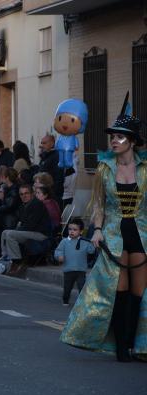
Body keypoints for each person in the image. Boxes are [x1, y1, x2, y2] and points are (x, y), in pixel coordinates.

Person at [61, 93, 147, 362]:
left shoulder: (145, 169)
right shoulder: (104, 169)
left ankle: (134, 344)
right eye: (113, 136)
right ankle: (122, 348)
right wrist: (97, 230)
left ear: (132, 141)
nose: (114, 140)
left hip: (142, 236)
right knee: (118, 294)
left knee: (138, 295)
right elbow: (98, 204)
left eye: (120, 136)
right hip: (114, 236)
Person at [1, 184, 52, 276]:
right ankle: (5, 257)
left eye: (26, 193)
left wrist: (17, 230)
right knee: (5, 232)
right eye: (21, 194)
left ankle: (17, 261)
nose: (24, 196)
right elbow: (22, 223)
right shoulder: (24, 205)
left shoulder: (37, 204)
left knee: (10, 234)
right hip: (30, 232)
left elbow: (30, 225)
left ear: (32, 194)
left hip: (40, 234)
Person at [55, 218, 95, 306]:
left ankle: (82, 303)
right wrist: (59, 256)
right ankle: (65, 300)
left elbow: (91, 251)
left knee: (82, 287)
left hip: (81, 270)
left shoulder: (85, 242)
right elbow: (58, 251)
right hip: (68, 270)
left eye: (75, 229)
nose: (71, 231)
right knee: (67, 287)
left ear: (81, 231)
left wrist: (93, 243)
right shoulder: (65, 241)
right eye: (70, 229)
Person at [39, 134, 63, 204]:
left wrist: (53, 192)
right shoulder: (45, 156)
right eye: (41, 143)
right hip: (43, 192)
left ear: (52, 143)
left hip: (52, 194)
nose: (42, 145)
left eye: (44, 143)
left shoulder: (56, 156)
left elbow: (59, 176)